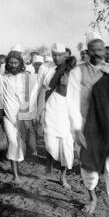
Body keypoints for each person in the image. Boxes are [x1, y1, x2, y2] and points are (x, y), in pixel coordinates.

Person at [67, 37, 109, 217]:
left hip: (108, 124)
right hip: (86, 125)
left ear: (105, 51)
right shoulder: (78, 72)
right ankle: (92, 198)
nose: (97, 53)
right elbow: (71, 101)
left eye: (100, 49)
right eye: (93, 50)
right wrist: (77, 129)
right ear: (87, 52)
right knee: (89, 166)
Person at [41, 42, 77, 188]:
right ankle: (49, 163)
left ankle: (62, 177)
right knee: (51, 144)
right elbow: (44, 89)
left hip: (67, 114)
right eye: (55, 55)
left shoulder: (74, 73)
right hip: (51, 110)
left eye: (61, 56)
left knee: (67, 149)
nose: (58, 58)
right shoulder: (49, 70)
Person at [0, 51, 38, 183]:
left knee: (26, 145)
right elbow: (0, 98)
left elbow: (31, 98)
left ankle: (18, 165)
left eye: (16, 62)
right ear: (8, 64)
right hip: (9, 117)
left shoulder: (26, 78)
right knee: (13, 143)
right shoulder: (4, 79)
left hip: (23, 117)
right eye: (11, 63)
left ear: (20, 63)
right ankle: (15, 175)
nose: (13, 65)